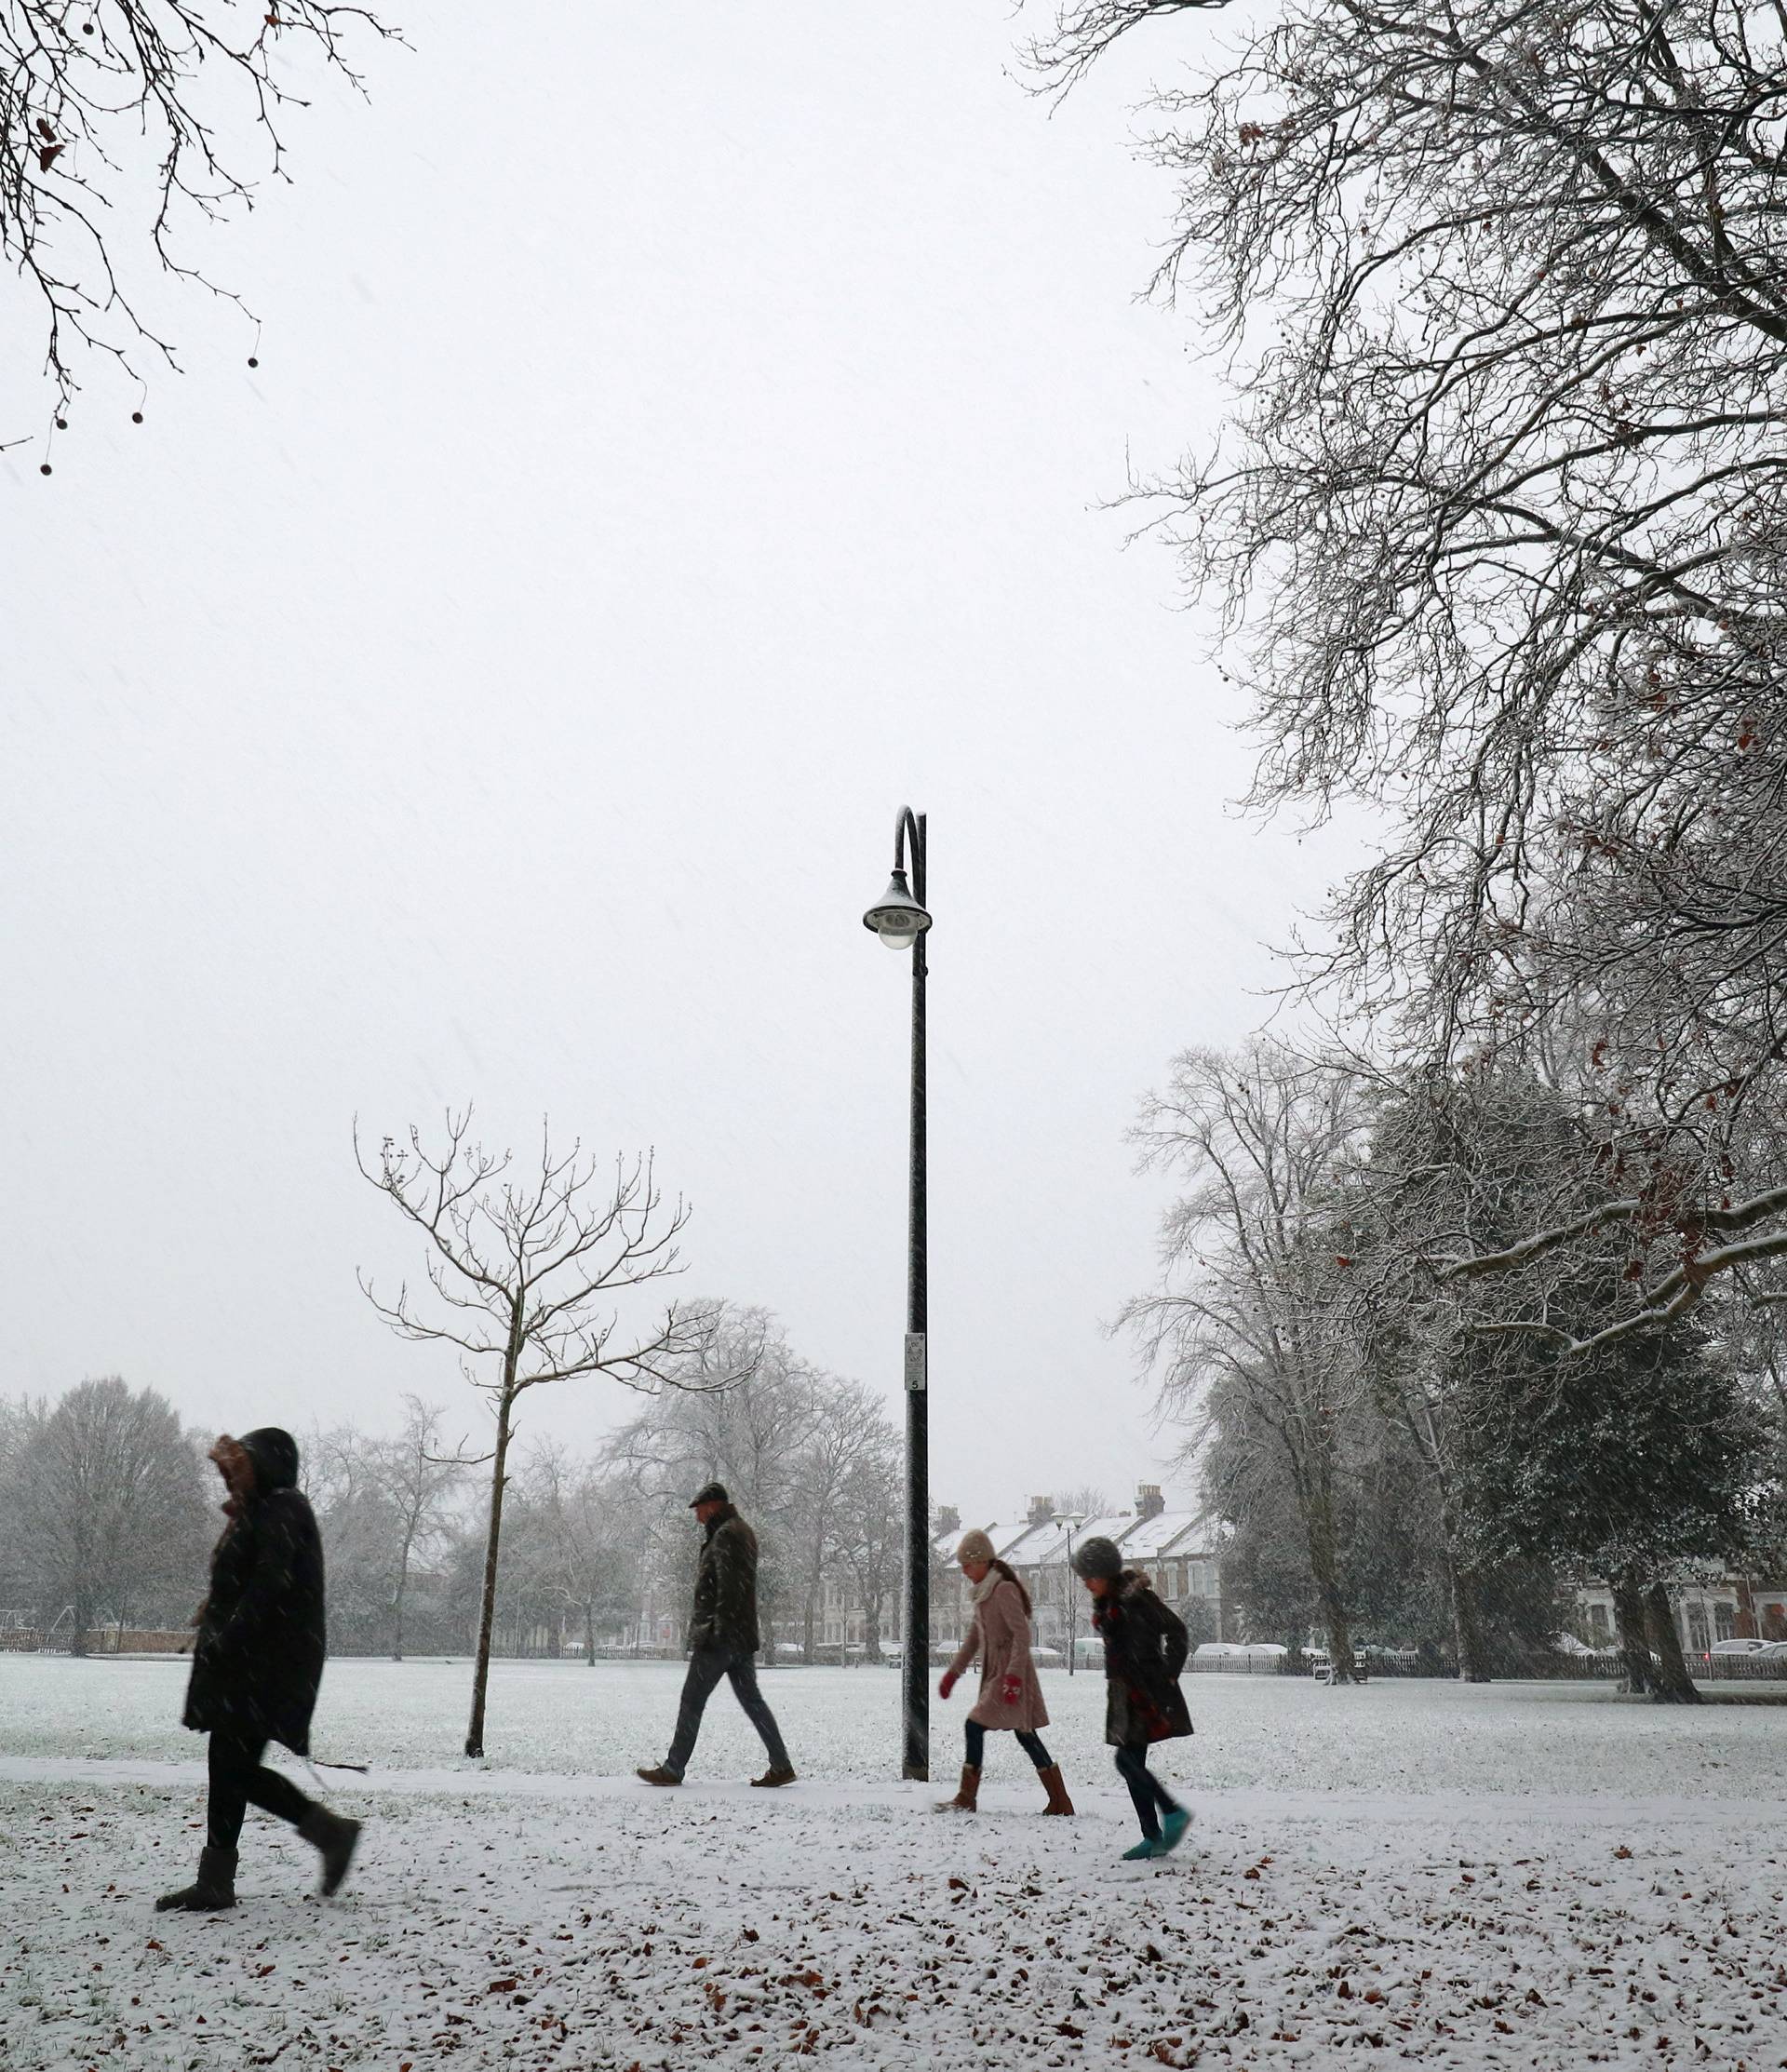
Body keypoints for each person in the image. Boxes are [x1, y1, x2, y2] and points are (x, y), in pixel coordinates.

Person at [157, 1429, 361, 1912]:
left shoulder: (284, 1509)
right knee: (229, 1766)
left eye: (243, 1465)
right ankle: (219, 1878)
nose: (232, 1478)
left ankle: (328, 1833)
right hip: (249, 1663)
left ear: (268, 1464)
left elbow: (271, 1582)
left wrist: (230, 1637)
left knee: (234, 1768)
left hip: (264, 1665)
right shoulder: (261, 1512)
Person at [637, 1482, 797, 1789]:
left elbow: (730, 1586)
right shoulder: (738, 1531)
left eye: (699, 1508)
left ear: (713, 1506)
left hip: (720, 1637)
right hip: (739, 1636)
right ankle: (781, 1764)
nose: (696, 1514)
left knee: (692, 1700)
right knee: (752, 1701)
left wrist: (718, 1632)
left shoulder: (727, 1535)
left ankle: (673, 1768)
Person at [1071, 1534, 1191, 1861]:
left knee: (1125, 1760)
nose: (1085, 1583)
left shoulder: (1137, 1600)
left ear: (1106, 1573)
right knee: (1132, 1763)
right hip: (1124, 1691)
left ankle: (1172, 1812)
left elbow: (1177, 1630)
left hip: (1144, 1690)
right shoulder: (1110, 1606)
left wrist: (1169, 1671)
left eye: (1089, 1576)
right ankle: (1152, 1836)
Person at [935, 1528, 1073, 1814]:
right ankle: (1060, 1801)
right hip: (998, 1676)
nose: (964, 1571)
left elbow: (1022, 1636)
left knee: (975, 1725)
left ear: (982, 1561)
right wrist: (953, 1673)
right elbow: (974, 1639)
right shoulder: (984, 1595)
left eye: (968, 1564)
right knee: (1025, 1734)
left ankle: (967, 1797)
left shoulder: (1003, 1590)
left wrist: (1012, 1677)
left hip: (1011, 1675)